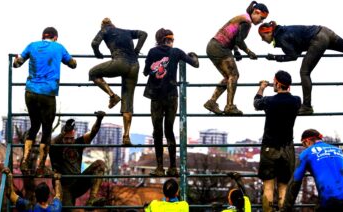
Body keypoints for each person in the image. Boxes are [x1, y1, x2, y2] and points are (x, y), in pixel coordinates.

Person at [258, 21, 343, 115]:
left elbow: (293, 56)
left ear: (269, 32)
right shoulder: (282, 31)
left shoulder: (281, 37)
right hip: (325, 31)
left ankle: (307, 106)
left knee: (304, 72)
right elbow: (296, 49)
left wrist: (274, 57)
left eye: (263, 36)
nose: (262, 40)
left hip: (318, 39)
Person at [13, 27, 77, 177]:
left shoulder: (32, 45)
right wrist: (72, 60)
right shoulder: (59, 47)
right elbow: (73, 64)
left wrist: (16, 61)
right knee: (47, 130)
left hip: (30, 92)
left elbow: (17, 63)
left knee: (34, 125)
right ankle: (41, 166)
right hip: (48, 93)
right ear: (55, 37)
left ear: (42, 37)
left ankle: (24, 160)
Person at [143, 28, 199, 177]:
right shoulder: (177, 52)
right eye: (172, 40)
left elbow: (145, 72)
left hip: (156, 96)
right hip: (171, 96)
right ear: (168, 40)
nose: (172, 42)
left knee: (157, 132)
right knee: (169, 130)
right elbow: (195, 63)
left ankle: (160, 167)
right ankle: (173, 167)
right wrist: (193, 55)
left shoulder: (152, 52)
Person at [89, 17, 147, 146]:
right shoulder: (125, 31)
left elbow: (94, 43)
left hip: (120, 62)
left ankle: (112, 96)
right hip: (134, 65)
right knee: (128, 100)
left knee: (92, 73)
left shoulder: (104, 31)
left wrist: (97, 53)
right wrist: (136, 50)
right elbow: (144, 34)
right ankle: (126, 137)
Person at [204, 1, 269, 115]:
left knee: (228, 77)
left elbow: (232, 36)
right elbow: (239, 40)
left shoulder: (243, 17)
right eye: (261, 18)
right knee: (234, 75)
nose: (261, 21)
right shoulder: (247, 22)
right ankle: (229, 106)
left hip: (213, 45)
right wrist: (249, 52)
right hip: (220, 47)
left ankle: (212, 102)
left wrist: (236, 50)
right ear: (256, 12)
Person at [253, 70, 301, 212]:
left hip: (269, 148)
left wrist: (261, 88)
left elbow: (256, 103)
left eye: (274, 82)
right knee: (284, 186)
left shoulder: (269, 101)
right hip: (287, 148)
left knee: (268, 185)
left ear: (278, 84)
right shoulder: (296, 101)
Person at [281, 129, 343, 212]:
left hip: (329, 200)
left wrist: (286, 208)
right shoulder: (339, 151)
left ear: (307, 141)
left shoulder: (306, 153)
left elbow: (295, 182)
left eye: (304, 144)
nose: (304, 147)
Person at [49, 111, 107, 207]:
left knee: (100, 164)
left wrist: (99, 120)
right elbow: (50, 145)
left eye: (71, 138)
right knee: (68, 209)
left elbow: (93, 132)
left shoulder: (78, 143)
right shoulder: (56, 147)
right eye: (66, 138)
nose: (69, 141)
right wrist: (63, 132)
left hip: (78, 182)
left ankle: (92, 200)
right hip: (64, 186)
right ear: (62, 137)